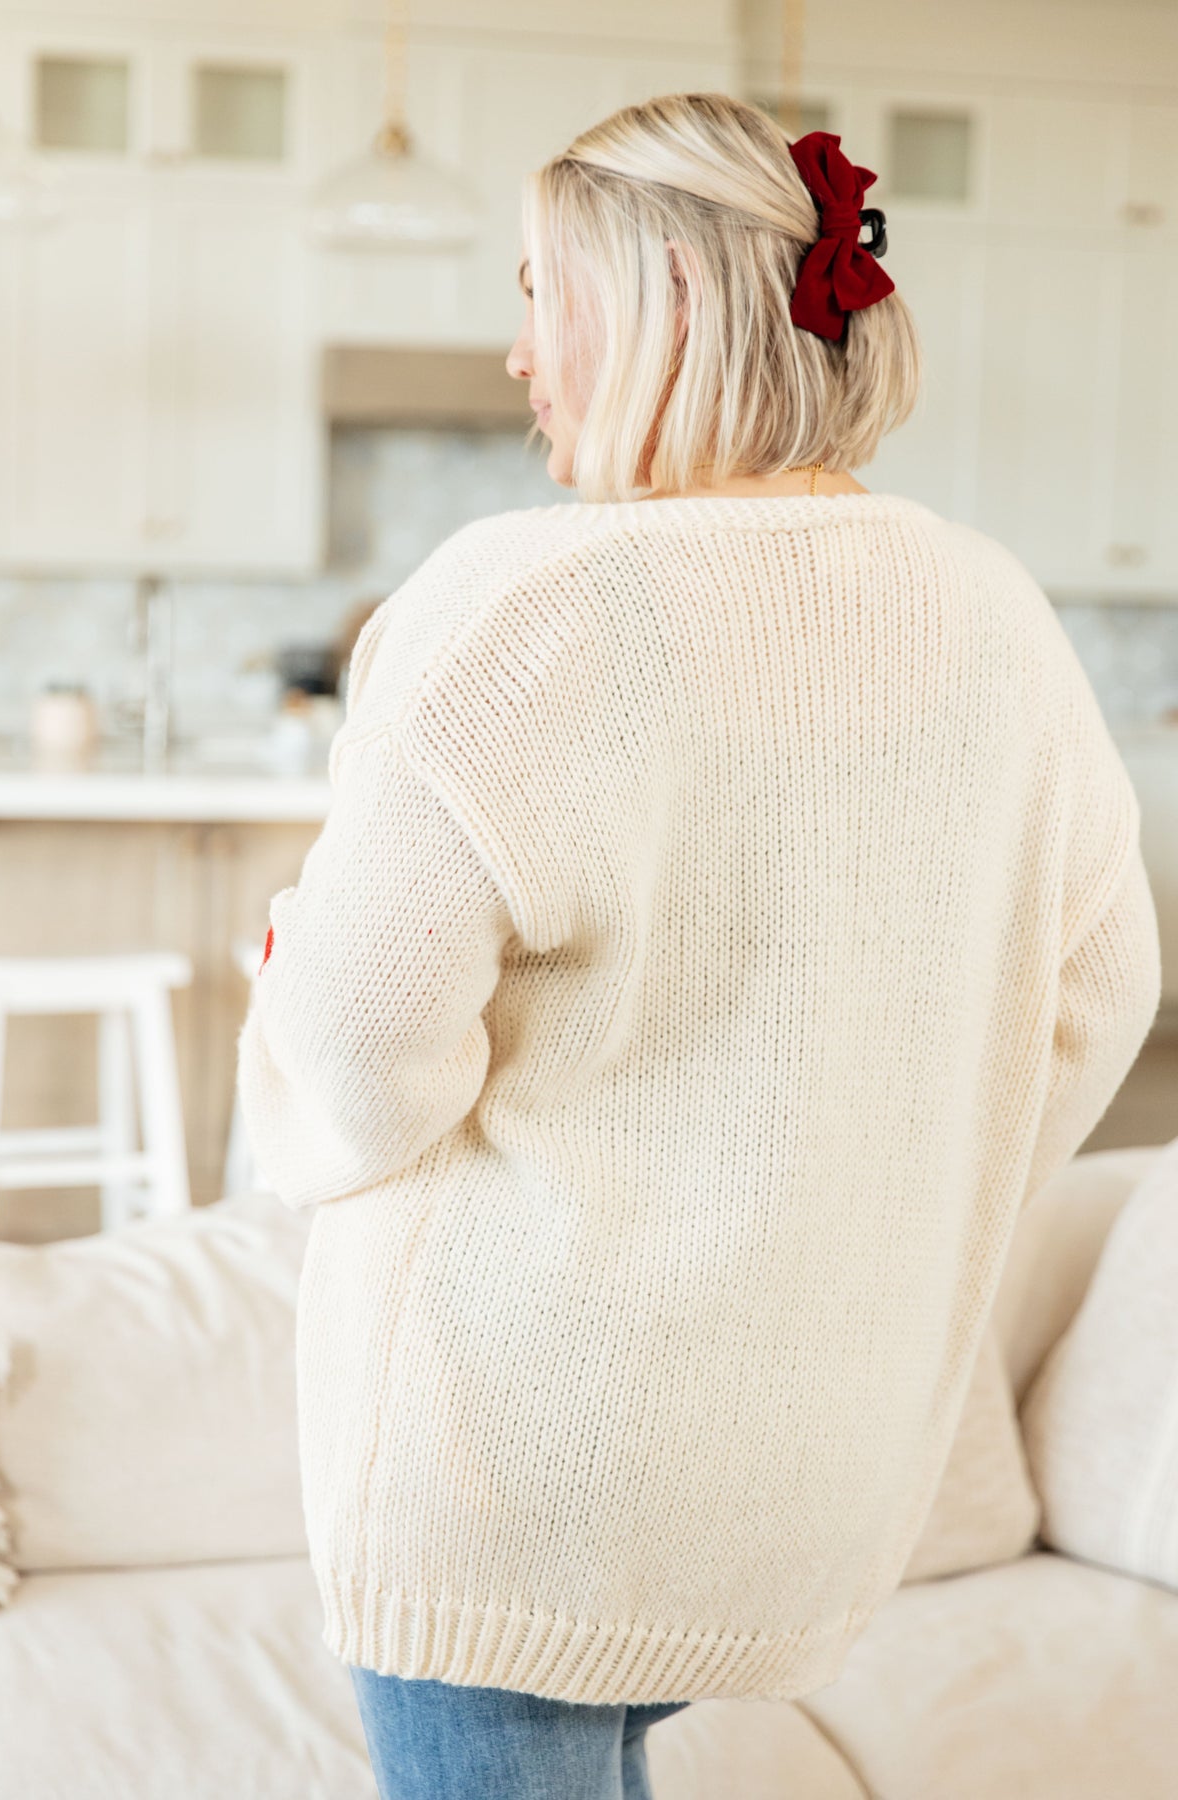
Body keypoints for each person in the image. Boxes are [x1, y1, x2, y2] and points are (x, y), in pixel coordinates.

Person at [235, 92, 1161, 1799]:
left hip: (508, 1469)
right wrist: (892, 1201)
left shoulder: (516, 607)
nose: (518, 354)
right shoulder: (996, 615)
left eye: (540, 293)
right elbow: (1102, 993)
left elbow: (359, 1051)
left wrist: (292, 986)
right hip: (802, 1481)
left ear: (658, 302)